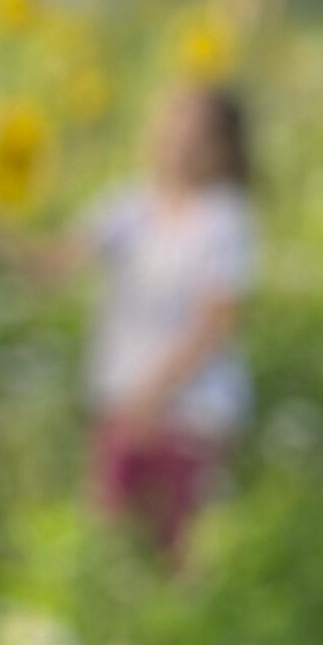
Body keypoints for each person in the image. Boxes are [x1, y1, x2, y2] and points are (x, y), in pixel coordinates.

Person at [59, 79, 258, 563]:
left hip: (188, 410)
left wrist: (152, 396)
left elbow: (216, 323)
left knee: (171, 548)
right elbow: (61, 261)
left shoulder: (225, 220)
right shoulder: (131, 205)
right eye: (173, 125)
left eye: (196, 132)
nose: (180, 141)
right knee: (104, 542)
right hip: (127, 401)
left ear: (222, 148)